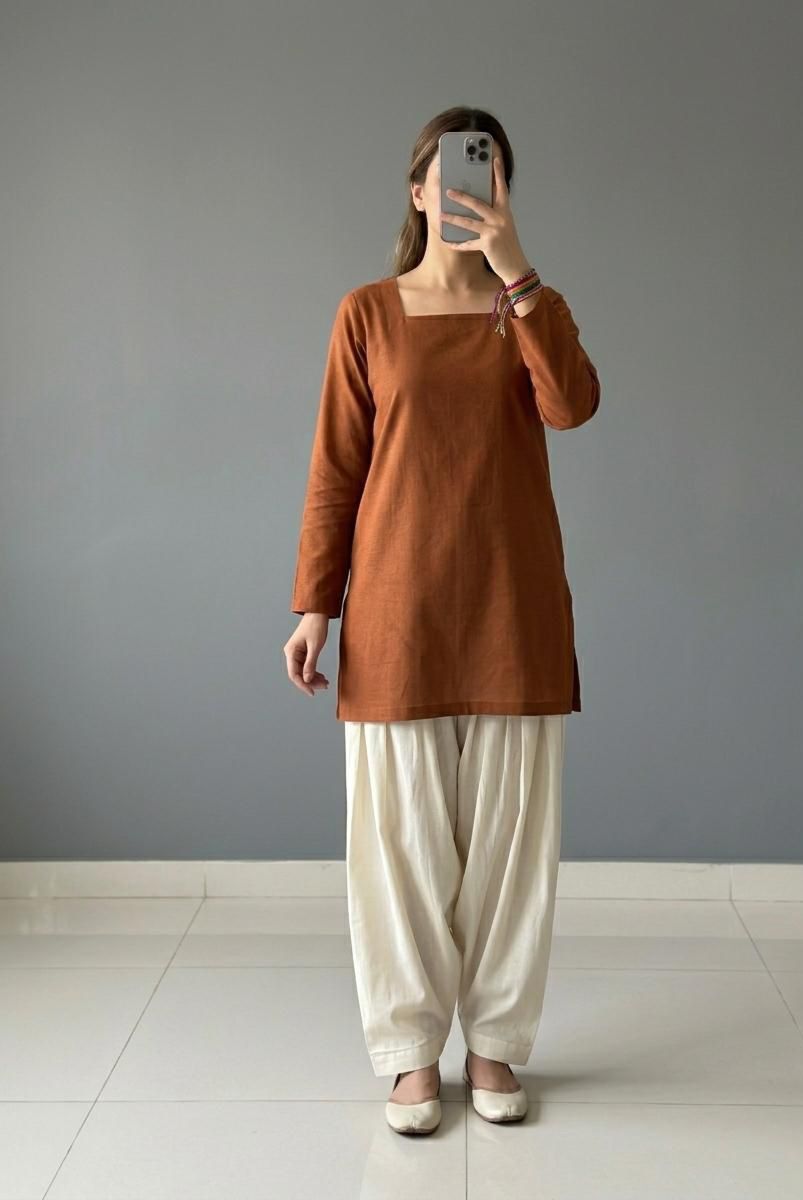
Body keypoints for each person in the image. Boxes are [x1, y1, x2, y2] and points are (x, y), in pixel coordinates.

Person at [284, 106, 601, 1136]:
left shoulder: (529, 309)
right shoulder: (367, 314)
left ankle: (496, 1043)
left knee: (510, 849)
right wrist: (314, 606)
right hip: (396, 612)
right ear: (417, 190)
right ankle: (410, 1055)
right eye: (452, 173)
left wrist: (518, 276)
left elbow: (572, 406)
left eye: (488, 176)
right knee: (399, 849)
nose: (467, 190)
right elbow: (335, 469)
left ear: (502, 195)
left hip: (513, 609)